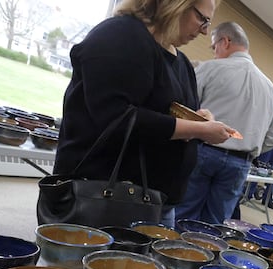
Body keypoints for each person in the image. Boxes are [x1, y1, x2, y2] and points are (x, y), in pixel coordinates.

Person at [51, 0, 234, 228]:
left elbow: (165, 114)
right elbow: (116, 119)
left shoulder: (181, 62)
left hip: (155, 201)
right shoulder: (120, 35)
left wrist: (198, 119)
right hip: (102, 197)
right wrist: (199, 129)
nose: (205, 30)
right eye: (202, 18)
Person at [175, 21, 273, 225]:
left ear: (225, 41)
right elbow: (271, 139)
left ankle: (174, 255)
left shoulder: (210, 69)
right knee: (216, 223)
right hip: (240, 163)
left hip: (203, 152)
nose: (214, 53)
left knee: (184, 213)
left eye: (214, 47)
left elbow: (184, 111)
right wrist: (245, 149)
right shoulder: (270, 88)